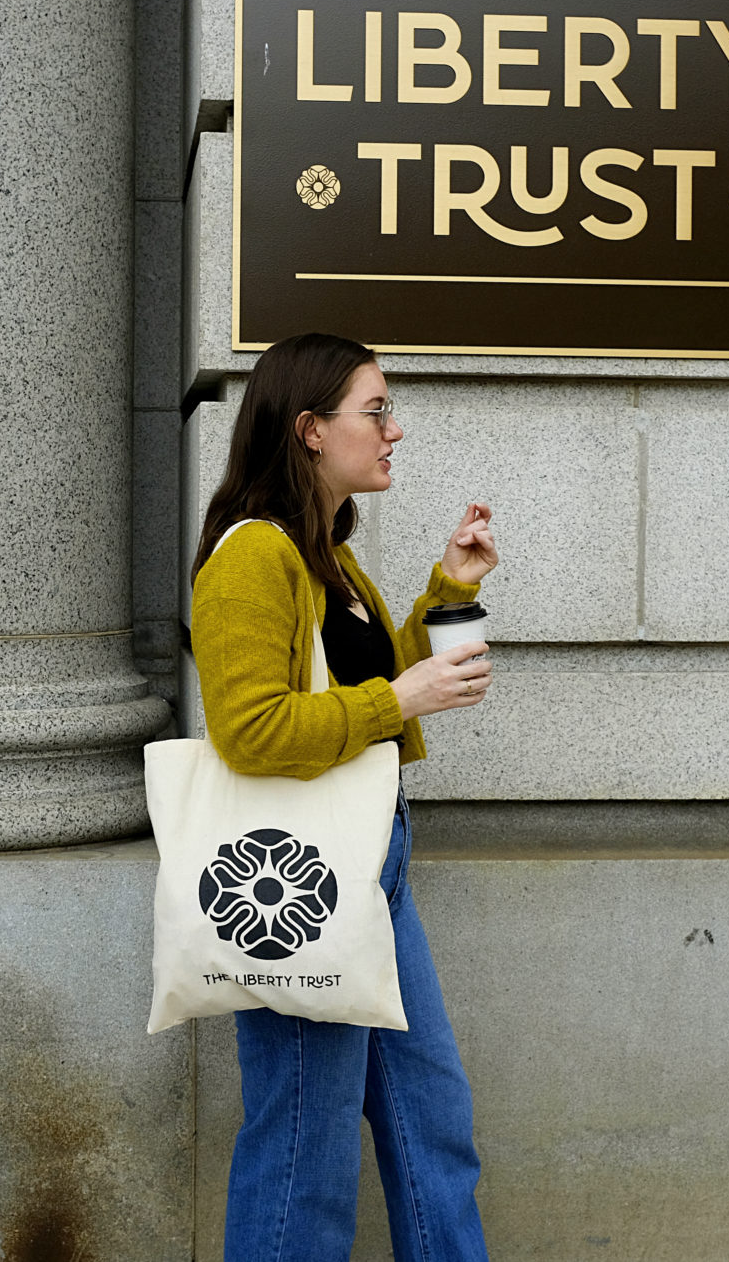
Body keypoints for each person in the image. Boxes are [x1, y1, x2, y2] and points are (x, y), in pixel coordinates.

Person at [189, 332, 498, 1261]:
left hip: (373, 864)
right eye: (377, 409)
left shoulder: (326, 555)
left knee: (430, 1121)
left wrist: (450, 587)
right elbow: (250, 729)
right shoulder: (253, 556)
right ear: (311, 428)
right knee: (304, 1150)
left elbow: (361, 689)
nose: (394, 428)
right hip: (299, 876)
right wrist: (400, 698)